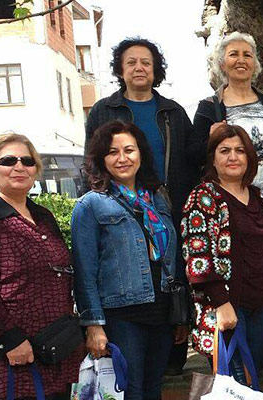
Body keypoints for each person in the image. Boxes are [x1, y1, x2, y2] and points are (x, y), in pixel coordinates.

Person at [0, 133, 77, 399]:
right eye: (8, 161)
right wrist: (8, 340)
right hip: (5, 359)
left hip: (52, 351)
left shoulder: (43, 216)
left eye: (27, 161)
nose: (19, 167)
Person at [71, 121, 189, 399]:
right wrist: (93, 325)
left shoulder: (157, 198)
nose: (122, 158)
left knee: (153, 389)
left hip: (161, 313)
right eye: (113, 152)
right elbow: (84, 271)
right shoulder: (90, 205)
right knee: (130, 391)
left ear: (141, 154)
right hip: (122, 316)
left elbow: (172, 258)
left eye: (129, 150)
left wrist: (180, 316)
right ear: (102, 159)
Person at [182, 123, 263, 379]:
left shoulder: (257, 196)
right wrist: (221, 303)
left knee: (252, 382)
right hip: (225, 306)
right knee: (236, 386)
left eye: (240, 150)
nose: (233, 157)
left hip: (261, 306)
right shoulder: (203, 197)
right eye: (224, 151)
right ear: (212, 158)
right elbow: (197, 258)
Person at [193, 32, 263, 248]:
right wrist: (211, 139)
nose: (241, 60)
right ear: (222, 64)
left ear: (255, 64)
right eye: (234, 54)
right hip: (235, 204)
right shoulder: (209, 107)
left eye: (247, 55)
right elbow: (192, 154)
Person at [84, 37, 199, 223]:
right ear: (120, 70)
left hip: (170, 206)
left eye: (146, 63)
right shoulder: (103, 111)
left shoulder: (173, 112)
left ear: (155, 70)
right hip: (118, 209)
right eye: (131, 63)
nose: (139, 68)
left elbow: (192, 161)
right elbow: (90, 163)